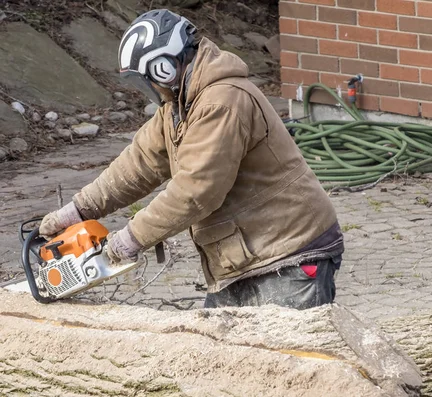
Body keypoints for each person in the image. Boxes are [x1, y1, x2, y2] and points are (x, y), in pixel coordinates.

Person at [39, 9, 344, 310]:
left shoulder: (222, 101)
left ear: (164, 68)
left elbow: (197, 190)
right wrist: (79, 210)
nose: (150, 90)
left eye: (147, 80)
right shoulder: (180, 104)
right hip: (247, 257)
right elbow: (140, 162)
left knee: (287, 356)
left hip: (288, 253)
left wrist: (131, 238)